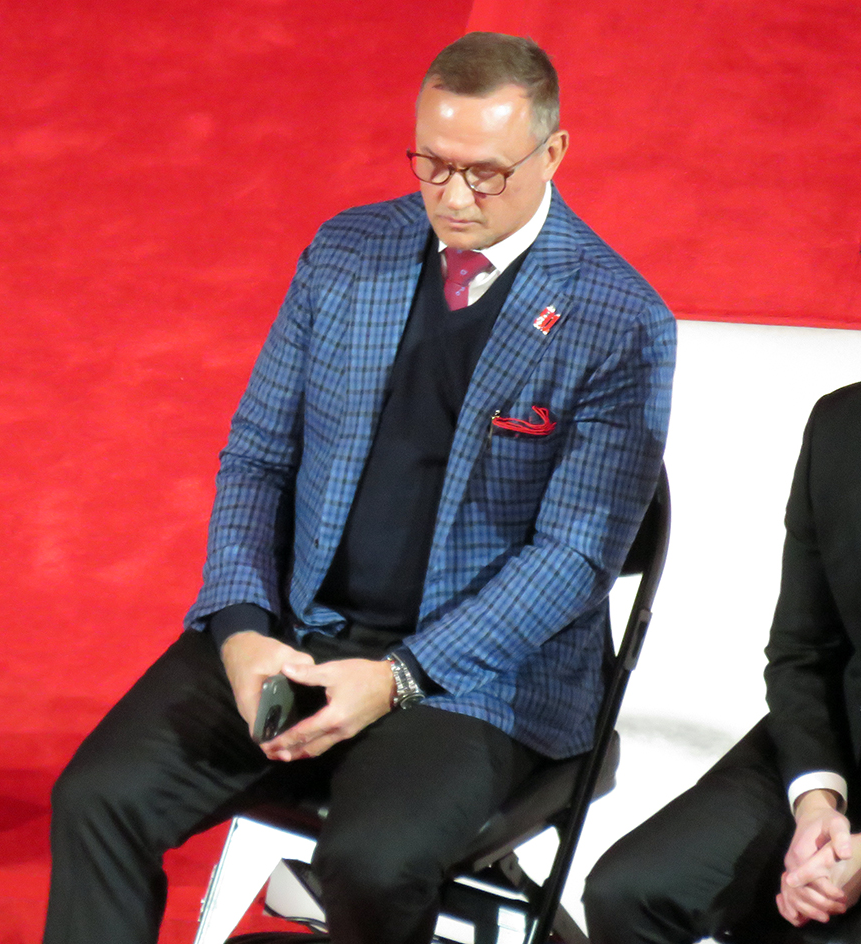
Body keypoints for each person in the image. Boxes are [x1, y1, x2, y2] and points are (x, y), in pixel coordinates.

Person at [43, 32, 675, 944]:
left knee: (372, 866)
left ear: (555, 152)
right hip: (298, 636)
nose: (453, 198)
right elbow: (257, 456)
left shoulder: (620, 319)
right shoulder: (348, 252)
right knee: (98, 799)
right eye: (432, 164)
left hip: (475, 682)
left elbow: (574, 560)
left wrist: (399, 677)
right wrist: (240, 631)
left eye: (487, 174)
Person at [584, 381, 861, 944]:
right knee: (631, 892)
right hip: (839, 741)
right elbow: (802, 650)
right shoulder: (840, 424)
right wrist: (814, 803)